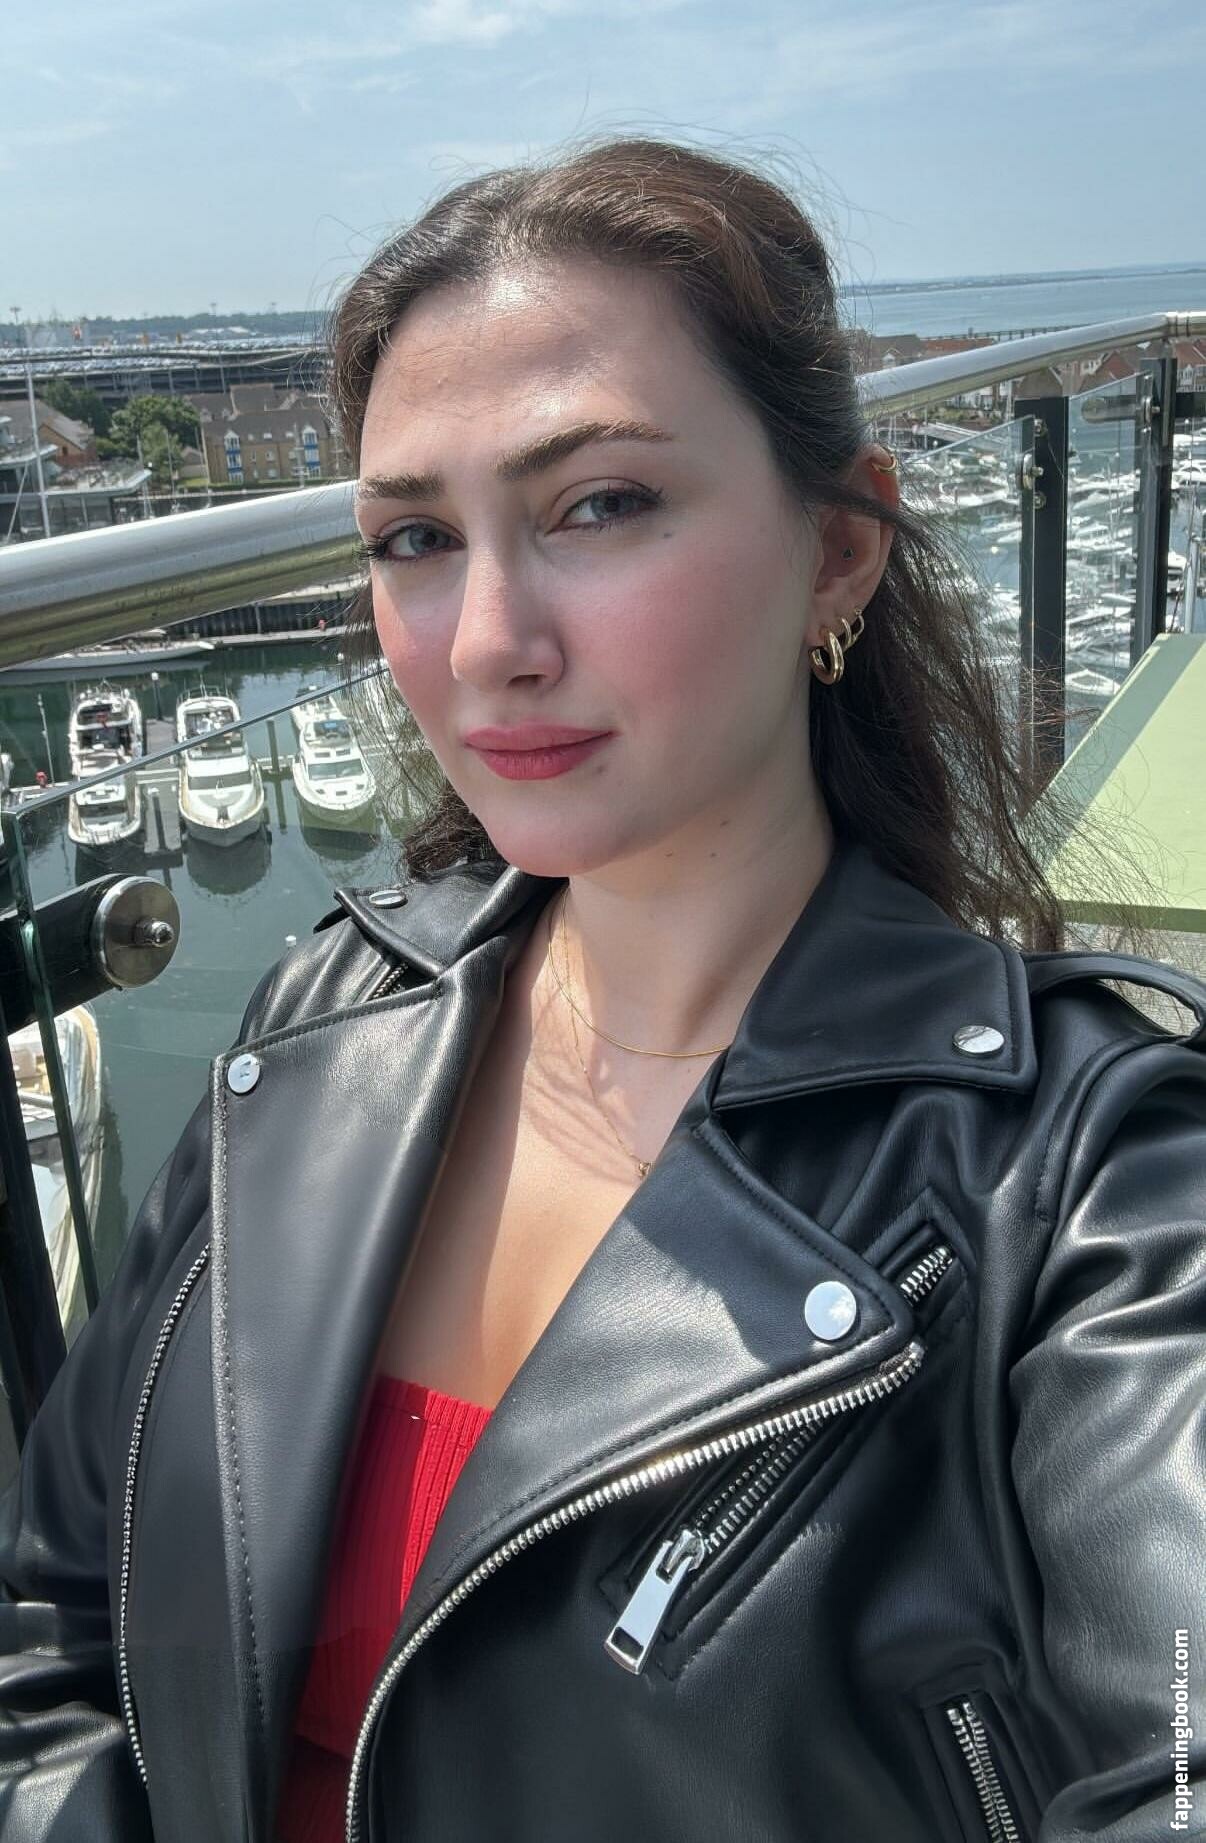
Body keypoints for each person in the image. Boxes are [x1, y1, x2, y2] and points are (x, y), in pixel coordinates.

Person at [2, 136, 1204, 1843]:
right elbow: (59, 1625)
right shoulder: (325, 1024)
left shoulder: (1088, 1185)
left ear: (837, 549)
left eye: (600, 505)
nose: (487, 639)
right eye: (416, 537)